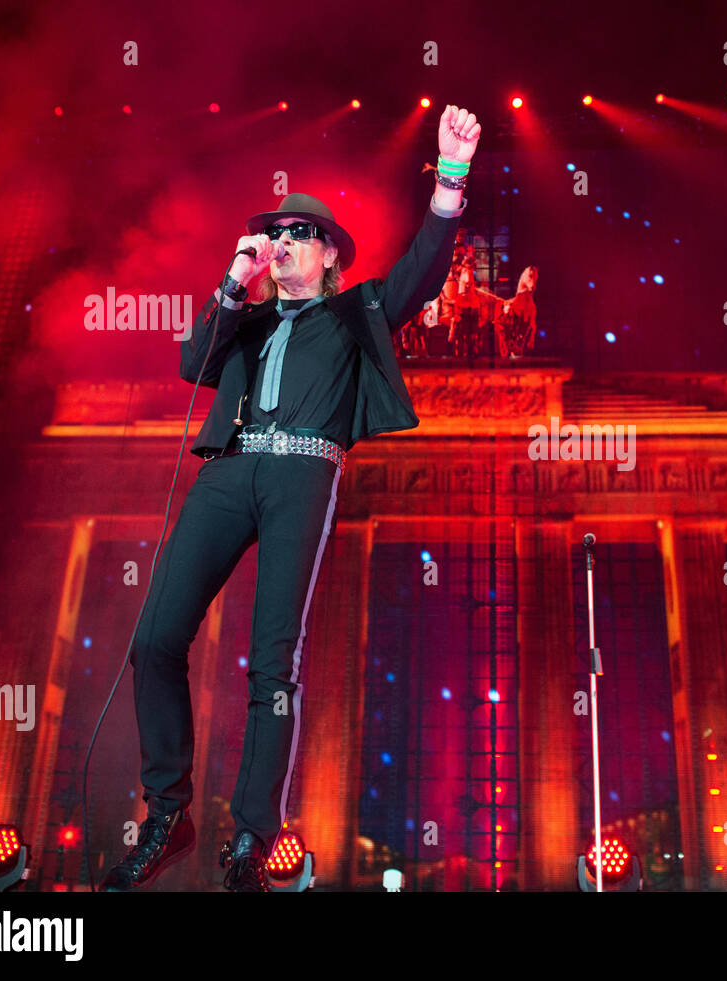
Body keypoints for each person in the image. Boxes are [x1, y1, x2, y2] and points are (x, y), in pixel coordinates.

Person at [99, 105, 481, 892]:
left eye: (299, 234)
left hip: (302, 474)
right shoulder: (245, 316)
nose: (283, 244)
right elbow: (191, 361)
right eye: (274, 235)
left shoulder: (356, 312)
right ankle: (169, 811)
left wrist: (449, 175)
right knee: (154, 640)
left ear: (332, 254)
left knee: (272, 662)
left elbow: (424, 268)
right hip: (228, 470)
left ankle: (250, 840)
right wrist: (231, 284)